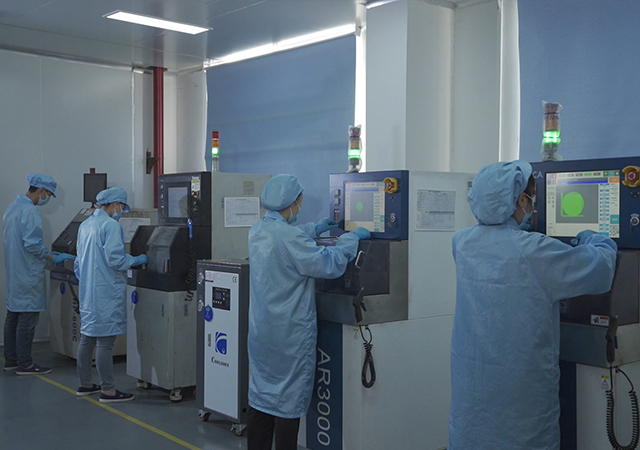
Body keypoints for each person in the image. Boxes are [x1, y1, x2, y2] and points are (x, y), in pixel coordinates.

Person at [448, 160, 617, 450]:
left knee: (474, 433)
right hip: (519, 387)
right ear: (521, 200)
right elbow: (600, 270)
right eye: (530, 198)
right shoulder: (533, 250)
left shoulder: (462, 242)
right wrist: (597, 239)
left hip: (473, 378)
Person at [246, 174, 371, 450]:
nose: (300, 207)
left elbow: (285, 239)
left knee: (262, 398)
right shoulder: (289, 236)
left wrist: (314, 228)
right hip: (288, 334)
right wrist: (350, 240)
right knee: (287, 403)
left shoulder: (257, 230)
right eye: (299, 202)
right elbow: (328, 264)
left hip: (262, 333)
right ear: (291, 202)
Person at [73, 187, 147, 403]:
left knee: (87, 338)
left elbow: (78, 263)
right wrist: (137, 260)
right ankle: (108, 390)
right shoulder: (111, 226)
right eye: (122, 207)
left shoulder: (86, 225)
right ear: (116, 205)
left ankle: (85, 383)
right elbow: (116, 260)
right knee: (105, 343)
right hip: (105, 293)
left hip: (88, 292)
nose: (121, 211)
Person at [3, 174, 74, 375]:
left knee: (13, 316)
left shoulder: (12, 208)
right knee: (27, 319)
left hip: (16, 271)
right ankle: (25, 364)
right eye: (48, 194)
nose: (47, 198)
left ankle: (11, 360)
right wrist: (51, 256)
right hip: (28, 273)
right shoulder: (30, 211)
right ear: (41, 190)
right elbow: (33, 244)